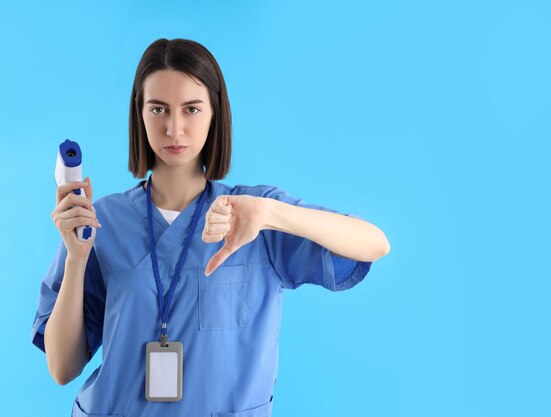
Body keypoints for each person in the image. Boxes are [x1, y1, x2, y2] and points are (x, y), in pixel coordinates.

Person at [31, 38, 390, 417]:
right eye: (158, 109)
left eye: (191, 109)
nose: (174, 128)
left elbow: (373, 243)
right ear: (139, 113)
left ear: (215, 113)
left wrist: (270, 213)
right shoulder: (103, 221)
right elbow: (61, 368)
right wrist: (75, 257)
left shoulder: (253, 215)